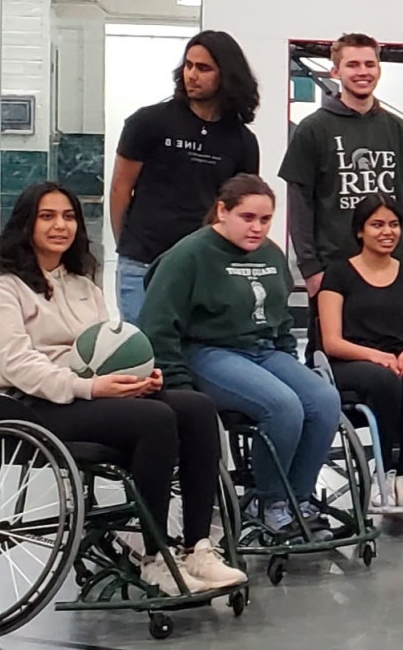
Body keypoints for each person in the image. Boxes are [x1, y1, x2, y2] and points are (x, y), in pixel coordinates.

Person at [0, 182, 247, 595]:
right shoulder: (0, 288)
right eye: (47, 216)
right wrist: (93, 388)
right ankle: (154, 556)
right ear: (25, 223)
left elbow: (110, 345)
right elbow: (19, 367)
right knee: (155, 420)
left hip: (86, 393)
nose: (60, 225)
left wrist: (140, 377)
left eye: (68, 216)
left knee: (195, 408)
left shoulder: (83, 283)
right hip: (26, 405)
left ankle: (197, 547)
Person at [141, 174, 343, 536]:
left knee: (325, 400)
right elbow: (157, 324)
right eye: (247, 218)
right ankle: (272, 502)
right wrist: (180, 384)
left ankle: (300, 499)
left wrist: (289, 362)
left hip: (263, 350)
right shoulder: (190, 254)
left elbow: (280, 320)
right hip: (210, 351)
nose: (257, 228)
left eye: (265, 220)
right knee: (283, 406)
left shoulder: (271, 255)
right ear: (222, 211)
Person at [109, 30, 260, 323]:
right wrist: (126, 244)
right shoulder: (149, 122)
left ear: (225, 76)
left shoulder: (242, 141)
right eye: (189, 66)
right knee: (144, 353)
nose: (192, 75)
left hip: (202, 266)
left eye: (203, 68)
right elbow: (120, 188)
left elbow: (241, 208)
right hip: (142, 261)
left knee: (190, 356)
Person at [280, 33, 403, 307]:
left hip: (394, 269)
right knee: (333, 349)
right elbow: (300, 205)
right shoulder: (312, 129)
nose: (363, 72)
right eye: (353, 65)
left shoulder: (399, 130)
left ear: (379, 69)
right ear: (335, 71)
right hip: (334, 272)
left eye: (369, 64)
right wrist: (311, 270)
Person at [316, 194, 403, 509]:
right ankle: (382, 471)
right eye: (377, 225)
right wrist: (374, 355)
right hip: (351, 361)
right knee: (384, 380)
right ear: (360, 231)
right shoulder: (338, 274)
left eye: (394, 225)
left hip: (400, 358)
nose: (387, 232)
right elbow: (331, 341)